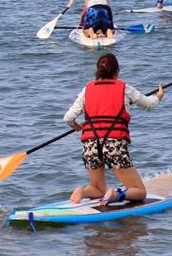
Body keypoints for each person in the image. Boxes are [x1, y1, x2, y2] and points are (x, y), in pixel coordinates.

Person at [63, 53, 164, 206]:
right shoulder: (125, 88)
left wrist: (77, 127)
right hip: (113, 145)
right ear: (117, 71)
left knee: (97, 188)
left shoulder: (87, 89)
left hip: (90, 145)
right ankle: (116, 194)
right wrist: (159, 96)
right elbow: (149, 104)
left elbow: (68, 118)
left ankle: (82, 192)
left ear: (98, 71)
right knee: (139, 191)